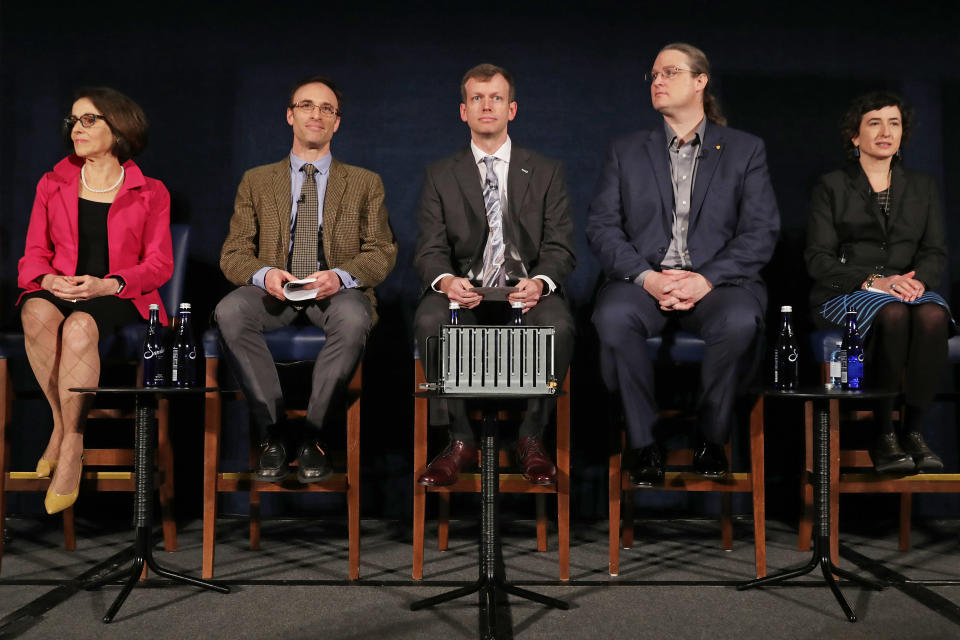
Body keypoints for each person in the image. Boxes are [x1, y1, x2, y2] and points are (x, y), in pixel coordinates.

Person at [587, 43, 780, 486]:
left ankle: (711, 437)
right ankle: (643, 443)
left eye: (669, 72)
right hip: (643, 281)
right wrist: (648, 277)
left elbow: (759, 232)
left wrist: (706, 279)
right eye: (653, 74)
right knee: (613, 317)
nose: (657, 81)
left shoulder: (745, 150)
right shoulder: (626, 150)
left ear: (700, 82)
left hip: (719, 283)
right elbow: (602, 227)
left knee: (740, 321)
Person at [216, 75, 397, 483]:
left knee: (354, 320)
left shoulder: (366, 183)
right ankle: (273, 434)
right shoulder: (257, 181)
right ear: (289, 115)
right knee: (229, 311)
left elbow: (382, 250)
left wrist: (340, 276)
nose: (316, 114)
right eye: (306, 106)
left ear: (337, 123)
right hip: (273, 293)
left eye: (326, 109)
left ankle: (314, 436)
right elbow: (233, 252)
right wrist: (264, 275)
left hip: (334, 294)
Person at [414, 63, 576, 487]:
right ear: (463, 111)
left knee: (558, 324)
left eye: (497, 98)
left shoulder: (545, 171)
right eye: (477, 99)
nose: (487, 105)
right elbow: (430, 249)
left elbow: (560, 248)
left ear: (512, 109)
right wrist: (447, 282)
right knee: (431, 320)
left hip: (527, 293)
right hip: (465, 293)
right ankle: (460, 440)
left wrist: (541, 282)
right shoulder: (439, 174)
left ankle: (530, 437)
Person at [17, 87, 173, 514]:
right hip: (63, 289)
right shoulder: (52, 183)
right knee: (34, 309)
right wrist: (48, 278)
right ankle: (63, 426)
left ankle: (72, 443)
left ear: (119, 128)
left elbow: (159, 265)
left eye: (89, 120)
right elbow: (33, 254)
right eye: (73, 121)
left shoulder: (151, 191)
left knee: (81, 325)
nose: (76, 129)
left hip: (120, 297)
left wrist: (109, 284)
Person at [805, 91, 951, 474]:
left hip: (908, 289)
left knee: (933, 314)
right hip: (850, 291)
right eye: (874, 122)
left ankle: (915, 433)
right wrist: (875, 280)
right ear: (855, 136)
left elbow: (934, 251)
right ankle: (884, 433)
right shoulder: (832, 186)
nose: (886, 131)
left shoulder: (923, 187)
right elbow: (817, 258)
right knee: (893, 314)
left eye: (894, 123)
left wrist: (920, 283)